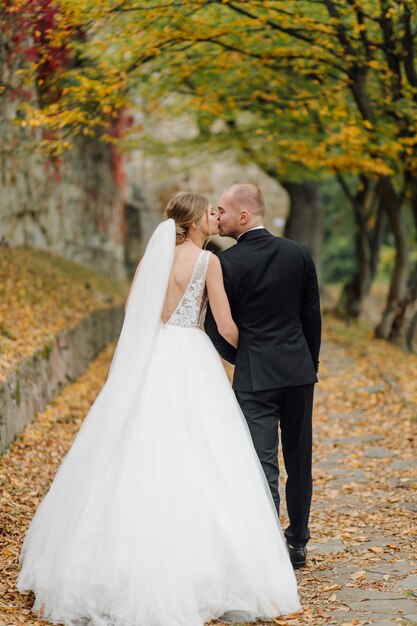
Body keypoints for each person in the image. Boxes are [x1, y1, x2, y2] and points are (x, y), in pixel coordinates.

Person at [17, 192, 301, 626]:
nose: (215, 217)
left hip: (154, 356)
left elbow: (135, 310)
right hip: (191, 357)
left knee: (136, 447)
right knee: (201, 452)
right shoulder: (209, 263)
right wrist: (258, 352)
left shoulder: (151, 261)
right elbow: (224, 326)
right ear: (194, 223)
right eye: (210, 212)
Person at [205, 184, 321, 569]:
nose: (216, 216)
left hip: (255, 376)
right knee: (299, 459)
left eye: (221, 210)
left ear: (243, 215)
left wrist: (243, 358)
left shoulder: (227, 264)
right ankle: (298, 543)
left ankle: (269, 546)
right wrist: (310, 364)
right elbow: (311, 318)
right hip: (297, 372)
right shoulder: (298, 253)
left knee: (261, 462)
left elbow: (215, 328)